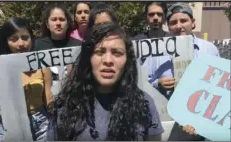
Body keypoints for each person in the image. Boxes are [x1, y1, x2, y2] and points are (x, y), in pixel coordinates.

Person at [47, 23, 164, 141]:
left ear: (127, 61)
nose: (108, 61)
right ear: (89, 58)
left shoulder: (144, 103)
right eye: (100, 52)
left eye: (117, 53)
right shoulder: (66, 105)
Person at [158, 3, 219, 141]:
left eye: (183, 20)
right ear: (168, 27)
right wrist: (158, 83)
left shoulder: (210, 49)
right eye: (173, 22)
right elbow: (147, 82)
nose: (178, 26)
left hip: (205, 117)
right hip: (171, 118)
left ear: (193, 23)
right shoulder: (159, 53)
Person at [0, 17, 53, 141]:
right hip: (10, 124)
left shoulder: (43, 65)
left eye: (25, 37)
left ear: (32, 38)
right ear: (6, 42)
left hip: (41, 122)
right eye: (13, 39)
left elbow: (49, 98)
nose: (21, 44)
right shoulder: (0, 68)